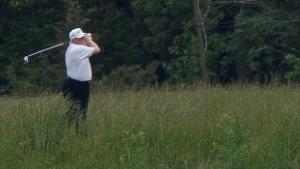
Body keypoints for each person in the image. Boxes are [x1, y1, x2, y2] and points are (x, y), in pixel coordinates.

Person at [62, 28, 100, 134]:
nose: (83, 39)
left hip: (75, 84)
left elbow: (87, 47)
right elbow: (97, 49)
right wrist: (89, 41)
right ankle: (69, 131)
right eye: (81, 38)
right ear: (74, 40)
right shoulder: (77, 50)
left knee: (79, 110)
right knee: (77, 111)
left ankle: (77, 133)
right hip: (77, 85)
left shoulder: (75, 47)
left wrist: (87, 39)